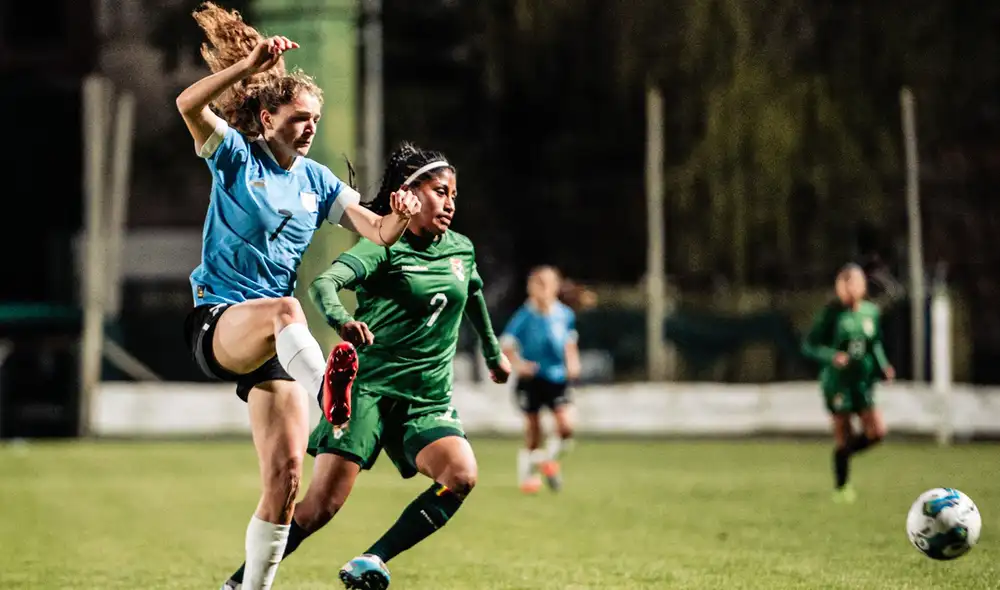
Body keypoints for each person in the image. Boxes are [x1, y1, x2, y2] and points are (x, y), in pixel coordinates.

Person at [176, 5, 419, 590]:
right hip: (220, 321)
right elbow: (187, 104)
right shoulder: (236, 155)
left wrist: (402, 214)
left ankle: (246, 588)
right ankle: (330, 391)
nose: (310, 128)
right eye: (299, 118)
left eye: (315, 119)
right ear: (267, 118)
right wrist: (248, 67)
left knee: (285, 481)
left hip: (276, 342)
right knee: (288, 310)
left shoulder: (316, 179)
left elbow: (376, 230)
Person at [221, 142, 511, 590]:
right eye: (439, 191)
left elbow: (471, 292)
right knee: (319, 508)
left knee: (460, 475)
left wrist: (493, 353)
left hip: (425, 399)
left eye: (454, 194)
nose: (450, 203)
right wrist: (342, 320)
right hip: (366, 392)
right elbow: (324, 284)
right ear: (407, 195)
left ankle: (372, 559)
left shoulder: (460, 249)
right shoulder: (382, 249)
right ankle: (240, 583)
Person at [802, 264, 895, 504]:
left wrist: (883, 365)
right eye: (846, 284)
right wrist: (832, 356)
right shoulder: (831, 314)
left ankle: (841, 458)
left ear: (862, 286)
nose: (851, 288)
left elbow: (875, 343)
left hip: (863, 382)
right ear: (840, 287)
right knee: (844, 433)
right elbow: (809, 346)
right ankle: (842, 487)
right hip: (837, 383)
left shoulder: (870, 312)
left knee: (877, 432)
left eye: (855, 283)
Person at [500, 266, 581, 493]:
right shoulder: (525, 315)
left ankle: (547, 461)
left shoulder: (564, 314)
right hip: (532, 380)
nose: (542, 289)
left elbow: (569, 342)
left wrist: (573, 362)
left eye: (546, 284)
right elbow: (506, 345)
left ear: (555, 287)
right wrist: (519, 365)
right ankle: (528, 476)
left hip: (556, 379)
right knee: (534, 431)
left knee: (566, 427)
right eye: (537, 284)